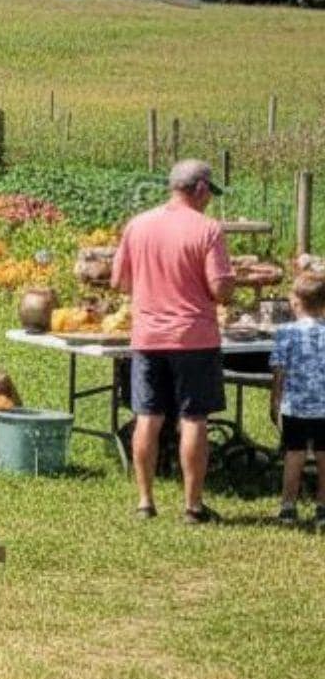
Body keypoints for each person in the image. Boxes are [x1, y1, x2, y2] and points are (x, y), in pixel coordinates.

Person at [111, 159, 235, 523]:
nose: (210, 199)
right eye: (210, 192)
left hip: (148, 336)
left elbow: (119, 281)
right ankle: (193, 506)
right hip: (194, 337)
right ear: (199, 189)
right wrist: (231, 281)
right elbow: (220, 290)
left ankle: (145, 501)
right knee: (194, 418)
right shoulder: (208, 230)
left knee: (147, 416)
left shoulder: (138, 225)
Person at [271, 269, 325, 526]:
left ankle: (288, 506)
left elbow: (279, 372)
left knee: (294, 454)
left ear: (294, 303)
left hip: (295, 406)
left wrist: (275, 401)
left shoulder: (285, 333)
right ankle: (322, 506)